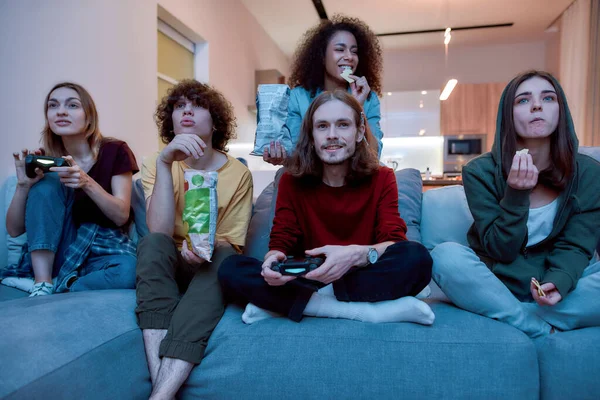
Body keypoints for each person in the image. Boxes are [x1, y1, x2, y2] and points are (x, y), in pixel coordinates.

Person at [219, 90, 433, 325]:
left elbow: (394, 242)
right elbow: (281, 243)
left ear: (360, 131)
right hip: (309, 275)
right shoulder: (291, 181)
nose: (332, 135)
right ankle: (364, 311)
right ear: (311, 135)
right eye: (322, 126)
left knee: (417, 258)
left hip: (359, 273)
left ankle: (294, 305)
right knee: (230, 268)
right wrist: (272, 261)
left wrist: (356, 254)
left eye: (342, 125)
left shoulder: (382, 178)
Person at [431, 70, 600, 338]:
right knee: (444, 256)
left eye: (548, 98)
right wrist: (516, 194)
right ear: (508, 116)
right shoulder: (480, 172)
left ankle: (515, 316)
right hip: (500, 282)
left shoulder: (589, 173)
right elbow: (501, 249)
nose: (536, 105)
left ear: (561, 111)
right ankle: (537, 324)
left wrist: (558, 281)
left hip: (561, 284)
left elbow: (576, 245)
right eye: (523, 100)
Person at [135, 80, 253, 399]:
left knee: (227, 259)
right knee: (152, 245)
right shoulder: (154, 162)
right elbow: (158, 231)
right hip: (169, 264)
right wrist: (164, 162)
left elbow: (231, 244)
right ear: (171, 121)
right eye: (178, 106)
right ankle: (164, 387)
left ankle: (159, 395)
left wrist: (203, 249)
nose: (186, 109)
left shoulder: (238, 174)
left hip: (209, 265)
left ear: (215, 122)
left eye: (197, 104)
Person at [4, 82, 138, 296]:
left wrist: (86, 182)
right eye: (53, 106)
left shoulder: (115, 151)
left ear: (89, 116)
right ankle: (42, 283)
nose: (61, 111)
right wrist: (23, 186)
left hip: (101, 247)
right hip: (57, 249)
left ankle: (63, 283)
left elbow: (121, 215)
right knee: (47, 184)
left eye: (73, 105)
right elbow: (14, 230)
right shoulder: (45, 159)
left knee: (129, 272)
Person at [263, 15, 384, 165]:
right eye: (340, 49)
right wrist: (280, 156)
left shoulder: (368, 99)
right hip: (309, 177)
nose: (349, 57)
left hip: (355, 178)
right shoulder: (297, 97)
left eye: (354, 51)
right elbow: (295, 152)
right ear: (322, 56)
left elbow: (374, 154)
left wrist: (357, 107)